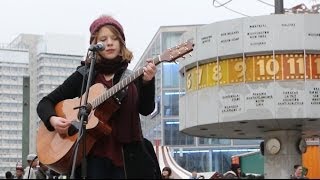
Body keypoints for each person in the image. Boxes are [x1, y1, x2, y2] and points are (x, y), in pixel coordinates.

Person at [36, 14, 158, 179]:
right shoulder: (84, 76)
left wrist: (147, 83)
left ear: (121, 43)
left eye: (114, 38)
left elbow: (146, 109)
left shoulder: (132, 77)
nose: (109, 42)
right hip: (90, 160)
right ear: (94, 45)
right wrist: (53, 120)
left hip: (128, 160)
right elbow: (45, 103)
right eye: (103, 39)